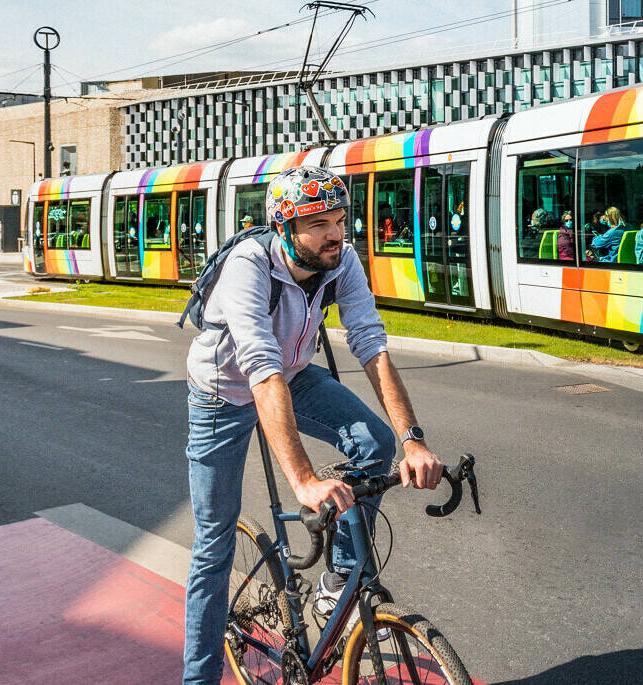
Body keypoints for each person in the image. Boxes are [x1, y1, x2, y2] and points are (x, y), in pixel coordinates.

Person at [179, 165, 444, 685]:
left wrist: (414, 442)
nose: (336, 233)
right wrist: (304, 481)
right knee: (214, 546)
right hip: (221, 393)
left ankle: (339, 578)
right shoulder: (248, 266)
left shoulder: (340, 261)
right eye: (318, 222)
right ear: (284, 227)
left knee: (377, 443)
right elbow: (259, 369)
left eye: (340, 219)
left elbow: (370, 341)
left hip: (293, 377)